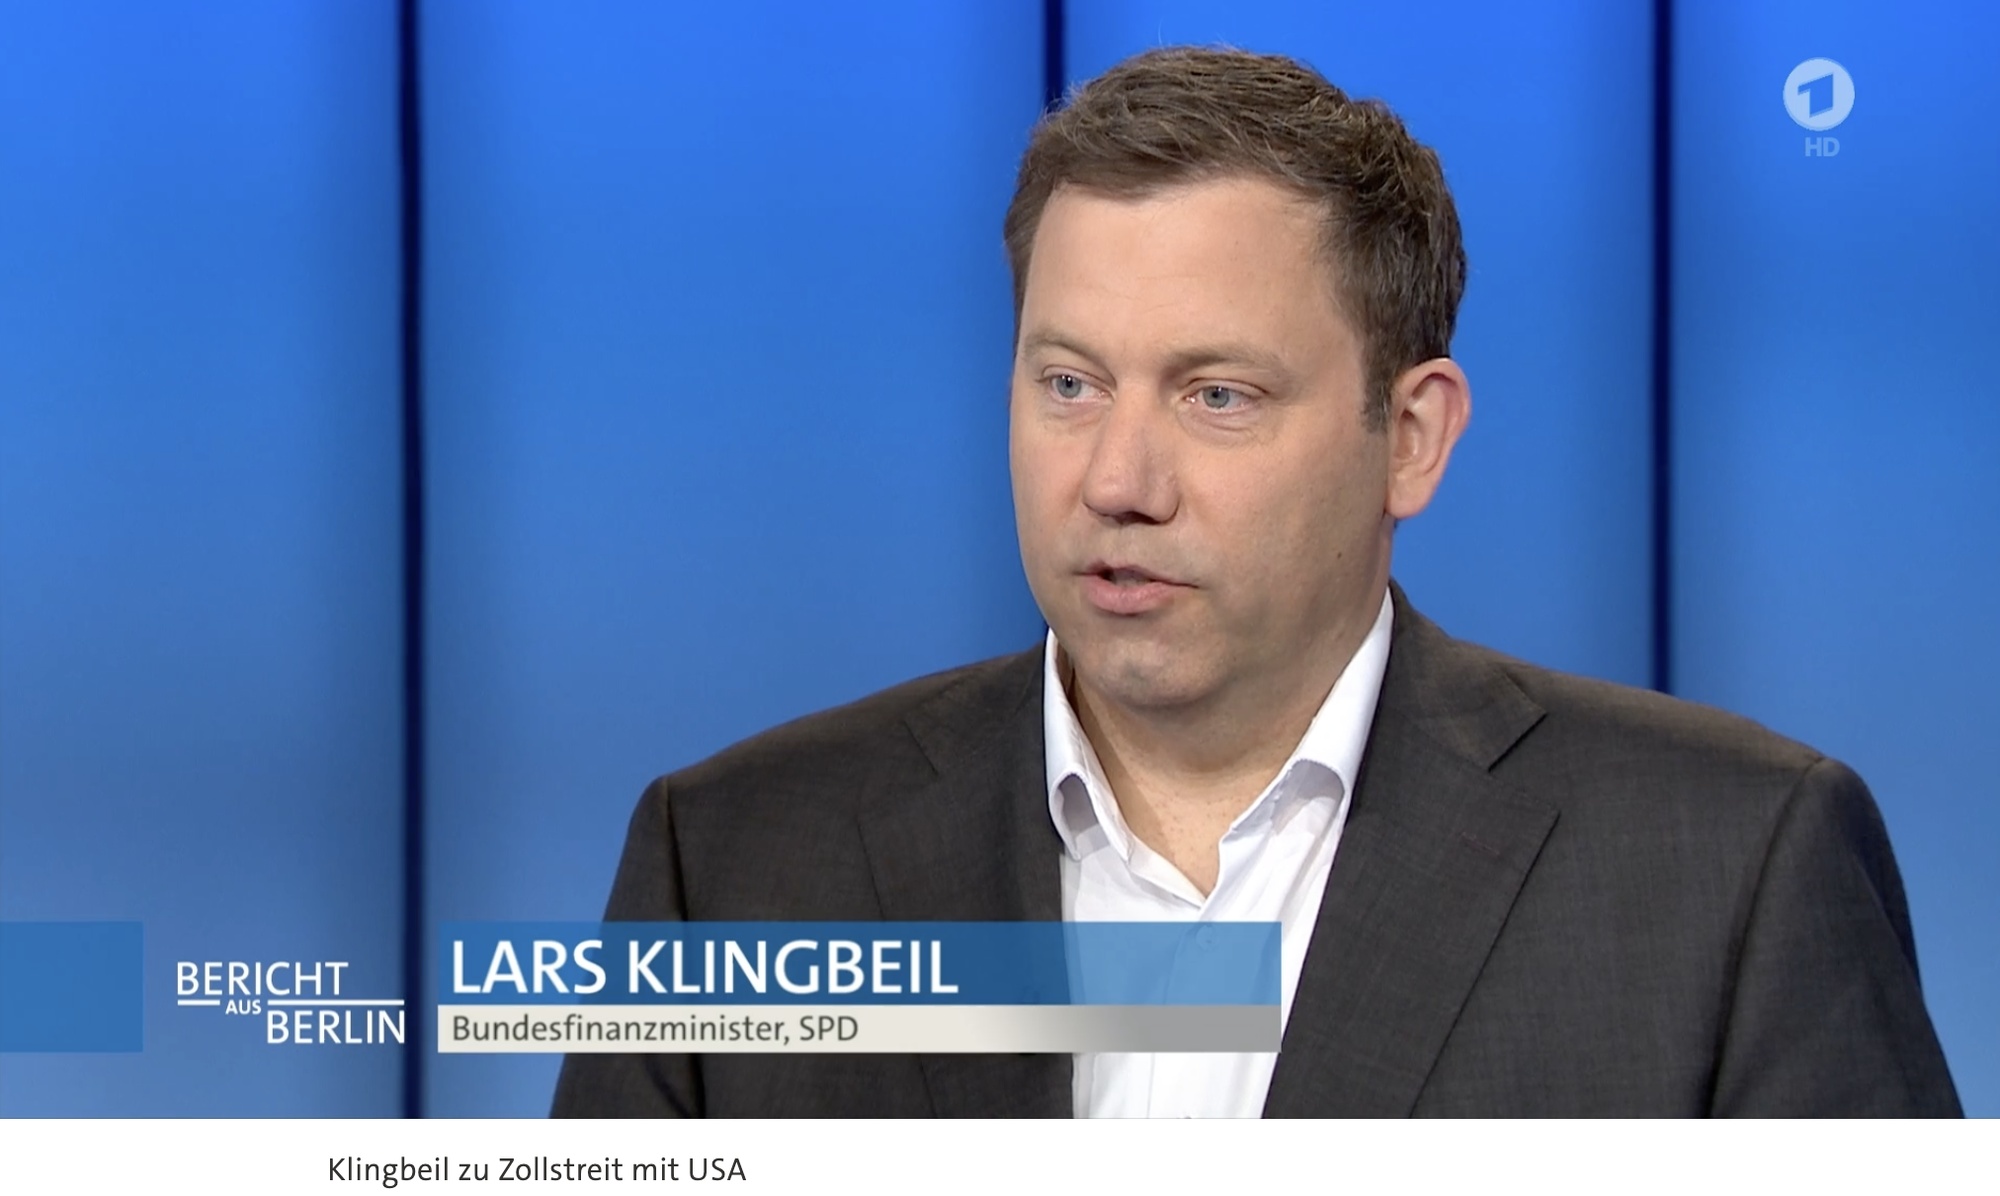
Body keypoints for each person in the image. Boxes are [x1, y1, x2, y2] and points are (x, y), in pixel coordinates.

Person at [552, 46, 1961, 1117]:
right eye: (1068, 384)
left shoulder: (1731, 868)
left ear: (1411, 438)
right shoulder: (728, 863)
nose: (1118, 479)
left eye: (1216, 396)